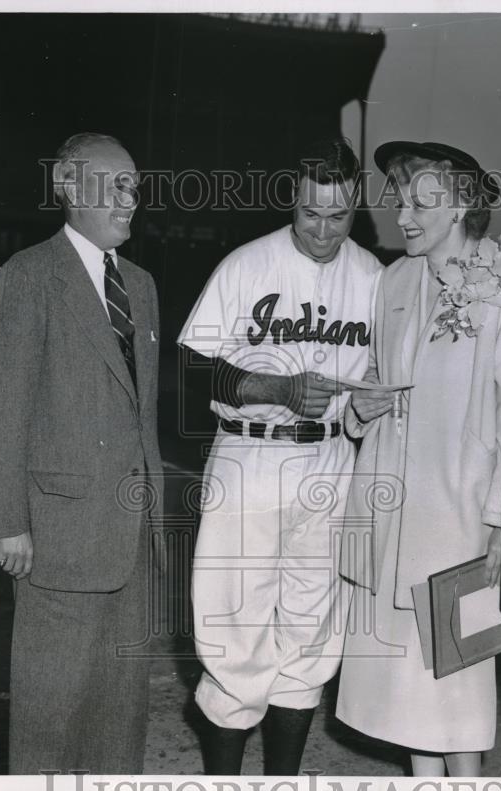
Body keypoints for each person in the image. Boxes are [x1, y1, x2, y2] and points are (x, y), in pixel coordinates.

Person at [335, 141, 501, 777]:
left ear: (462, 208)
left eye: (421, 202)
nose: (403, 214)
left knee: (459, 680)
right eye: (401, 199)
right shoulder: (394, 279)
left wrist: (497, 520)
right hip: (389, 514)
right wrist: (358, 410)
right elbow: (372, 377)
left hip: (458, 522)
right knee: (406, 692)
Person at [178, 138, 382, 775]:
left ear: (357, 209)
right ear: (292, 203)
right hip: (251, 456)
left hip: (331, 457)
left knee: (312, 626)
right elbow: (190, 370)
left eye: (338, 216)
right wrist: (277, 389)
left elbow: (377, 378)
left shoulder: (374, 277)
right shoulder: (248, 264)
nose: (322, 230)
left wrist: (366, 404)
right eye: (309, 214)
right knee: (234, 624)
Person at [0, 132, 162, 774]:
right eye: (115, 186)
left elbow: (142, 414)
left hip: (130, 527)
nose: (130, 199)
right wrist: (9, 523)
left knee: (120, 712)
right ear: (68, 190)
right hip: (58, 531)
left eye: (134, 186)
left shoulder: (141, 284)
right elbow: (3, 408)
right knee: (47, 715)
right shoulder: (28, 277)